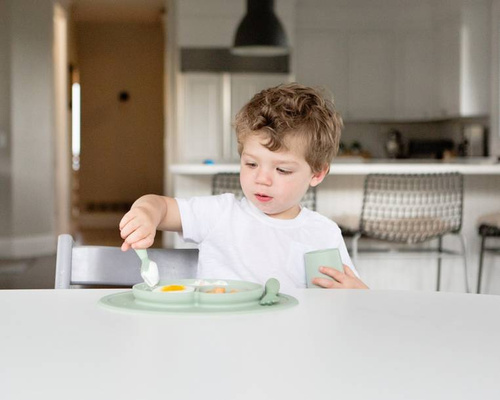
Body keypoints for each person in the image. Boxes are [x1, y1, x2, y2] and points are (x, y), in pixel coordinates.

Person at [119, 83, 368, 291]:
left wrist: (357, 294)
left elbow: (348, 300)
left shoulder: (323, 234)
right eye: (251, 163)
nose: (262, 179)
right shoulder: (220, 214)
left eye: (281, 170)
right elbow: (161, 206)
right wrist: (146, 214)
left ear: (317, 173)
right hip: (218, 342)